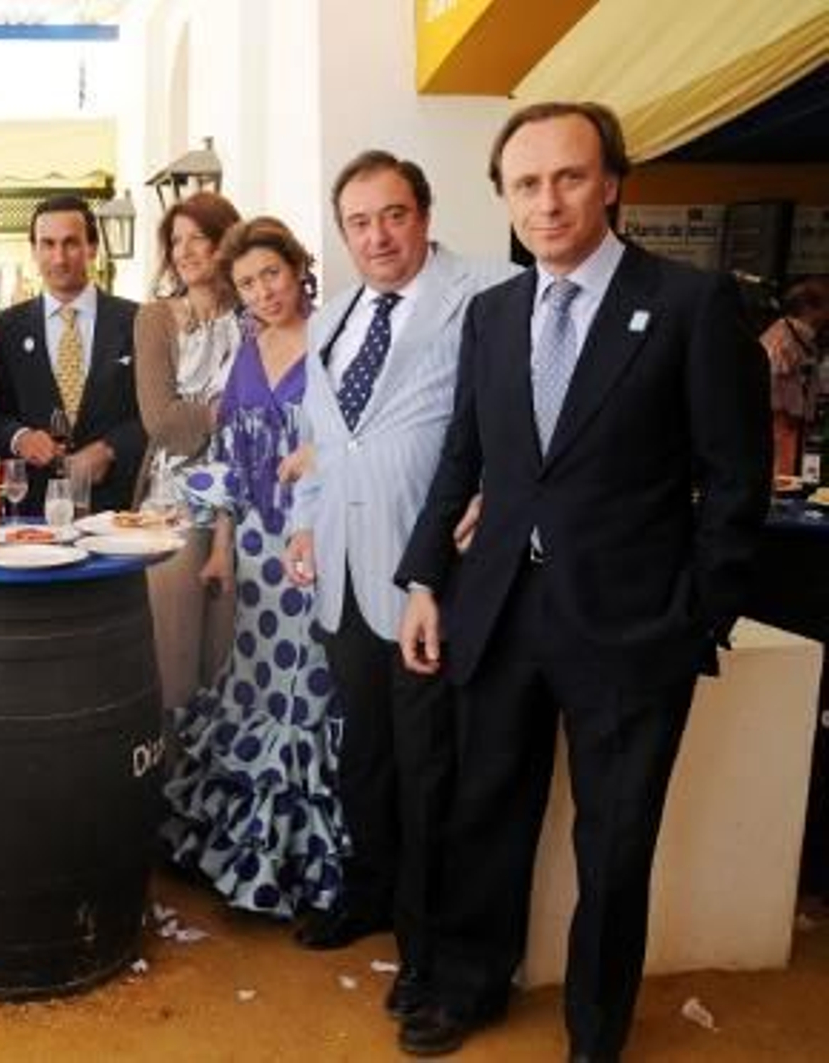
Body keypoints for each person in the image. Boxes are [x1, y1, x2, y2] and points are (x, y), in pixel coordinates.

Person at [394, 102, 770, 1059]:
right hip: (500, 616)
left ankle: (595, 1029)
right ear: (505, 199)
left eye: (568, 177)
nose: (547, 201)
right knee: (486, 814)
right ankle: (471, 986)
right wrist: (427, 579)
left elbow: (735, 479)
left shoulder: (690, 304)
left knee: (615, 842)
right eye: (525, 184)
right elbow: (461, 459)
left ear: (611, 182)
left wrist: (699, 619)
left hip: (633, 631)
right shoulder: (494, 313)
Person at [282, 151, 515, 1018]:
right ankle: (371, 890)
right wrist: (306, 521)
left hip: (432, 575)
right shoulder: (335, 313)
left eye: (393, 215)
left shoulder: (486, 293)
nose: (377, 236)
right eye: (358, 222)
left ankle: (427, 947)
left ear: (424, 213)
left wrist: (503, 488)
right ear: (342, 233)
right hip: (342, 571)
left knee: (429, 769)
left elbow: (517, 418)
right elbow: (322, 433)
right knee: (366, 755)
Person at [159, 217, 347, 918]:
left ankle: (302, 870)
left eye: (272, 273)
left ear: (299, 267)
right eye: (247, 282)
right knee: (253, 689)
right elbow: (231, 462)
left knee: (308, 696)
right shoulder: (247, 348)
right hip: (259, 554)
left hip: (318, 546)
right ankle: (245, 857)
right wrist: (220, 546)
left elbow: (359, 440)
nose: (264, 292)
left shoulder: (337, 339)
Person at [133, 191, 242, 716]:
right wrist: (229, 412)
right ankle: (171, 793)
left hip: (251, 505)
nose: (185, 250)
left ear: (227, 240)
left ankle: (223, 791)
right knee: (174, 665)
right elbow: (162, 421)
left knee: (231, 663)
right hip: (174, 503)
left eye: (198, 236)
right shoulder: (156, 319)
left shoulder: (256, 314)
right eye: (175, 240)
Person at [0, 195, 144, 514]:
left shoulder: (137, 321)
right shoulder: (5, 328)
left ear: (93, 248)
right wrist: (20, 437)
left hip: (118, 513)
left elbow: (156, 412)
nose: (59, 258)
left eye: (71, 243)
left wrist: (111, 448)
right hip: (34, 515)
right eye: (48, 244)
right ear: (34, 251)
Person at [761, 275, 828, 476]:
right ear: (810, 308)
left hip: (789, 431)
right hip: (779, 431)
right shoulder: (782, 341)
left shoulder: (798, 337)